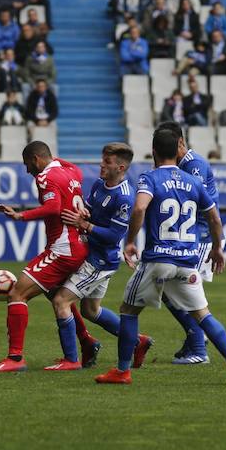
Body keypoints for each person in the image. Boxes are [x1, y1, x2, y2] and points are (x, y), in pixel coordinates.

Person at [94, 126, 226, 385]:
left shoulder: (149, 178)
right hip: (187, 261)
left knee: (128, 311)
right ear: (178, 149)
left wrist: (130, 241)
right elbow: (214, 217)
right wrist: (218, 248)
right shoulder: (194, 181)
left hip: (158, 260)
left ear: (153, 152)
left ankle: (122, 371)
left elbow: (139, 208)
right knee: (204, 315)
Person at [0, 142, 88, 372]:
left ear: (35, 159)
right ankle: (87, 341)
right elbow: (71, 166)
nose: (27, 170)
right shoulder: (71, 172)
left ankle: (15, 359)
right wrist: (54, 160)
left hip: (62, 249)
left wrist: (20, 215)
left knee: (16, 293)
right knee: (57, 294)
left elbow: (53, 208)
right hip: (78, 244)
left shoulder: (44, 177)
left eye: (27, 164)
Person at [50, 143, 141, 368]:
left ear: (120, 167)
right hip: (92, 254)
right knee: (90, 311)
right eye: (102, 160)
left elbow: (113, 236)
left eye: (107, 162)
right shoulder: (100, 184)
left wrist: (85, 225)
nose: (101, 165)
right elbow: (90, 207)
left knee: (61, 300)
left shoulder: (125, 198)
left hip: (99, 262)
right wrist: (84, 212)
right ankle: (138, 342)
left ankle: (71, 360)